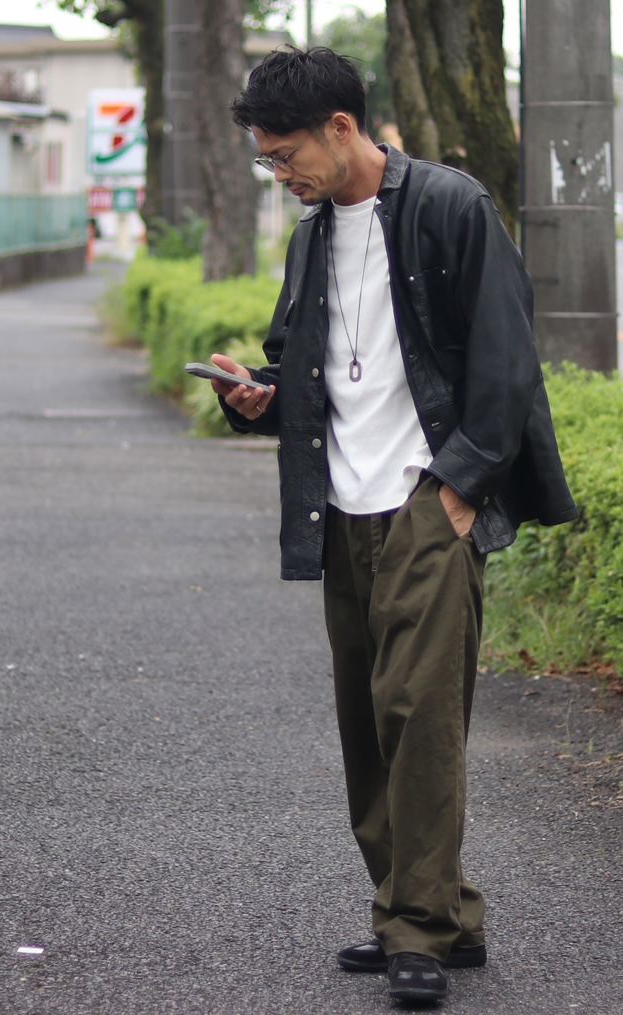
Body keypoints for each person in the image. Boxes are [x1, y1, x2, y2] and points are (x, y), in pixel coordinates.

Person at [210, 47, 578, 1006]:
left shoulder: (449, 205)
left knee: (418, 715)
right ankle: (440, 913)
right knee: (368, 722)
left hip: (425, 496)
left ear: (340, 128)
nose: (276, 172)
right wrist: (255, 398)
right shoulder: (311, 237)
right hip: (340, 504)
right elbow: (303, 364)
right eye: (264, 159)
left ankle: (414, 928)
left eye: (284, 154)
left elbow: (506, 357)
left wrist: (461, 485)